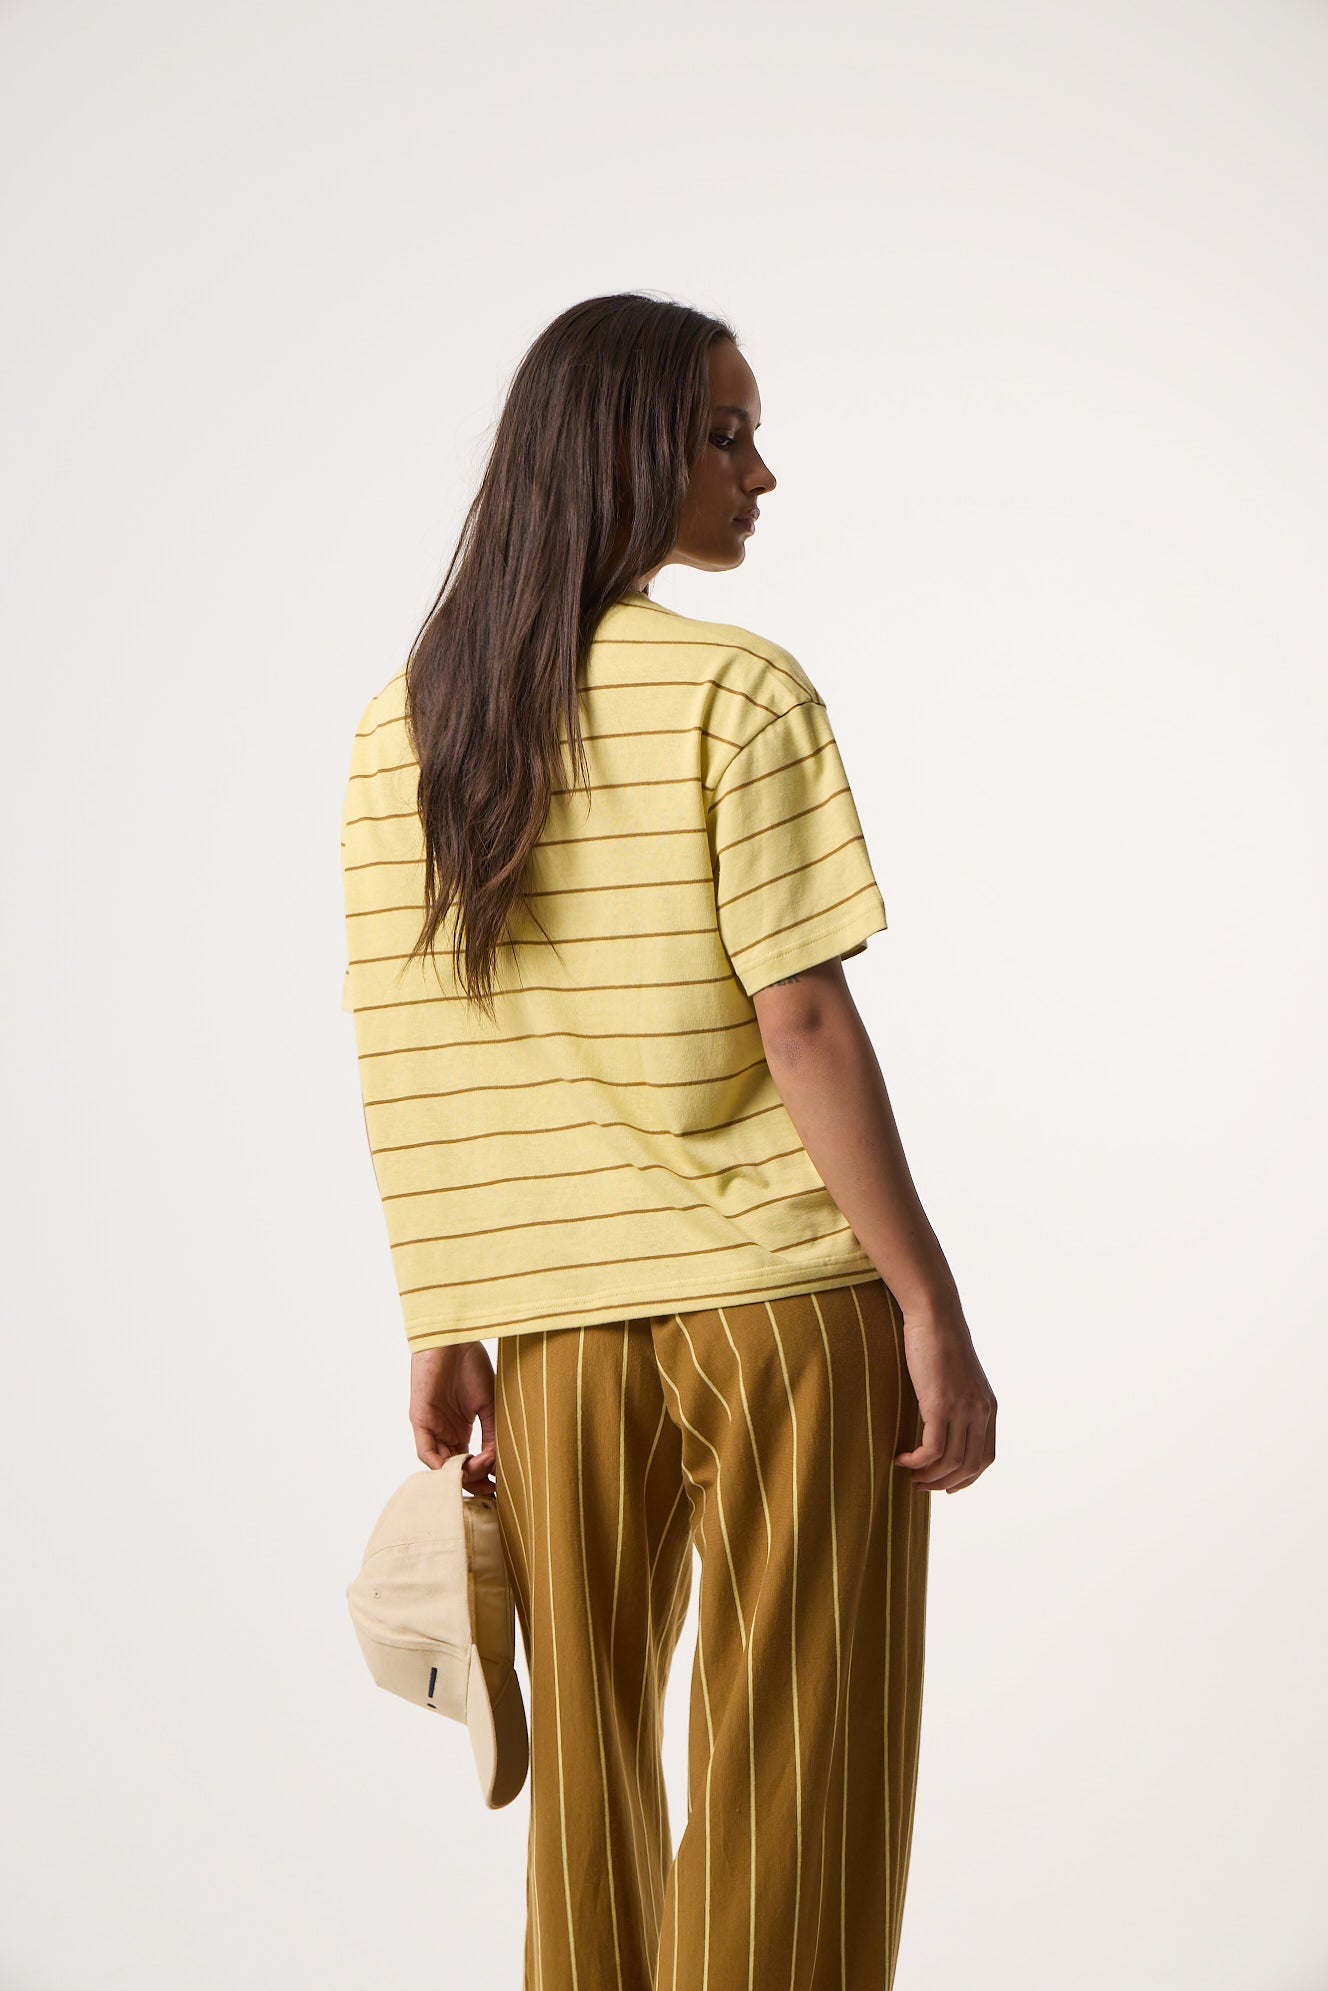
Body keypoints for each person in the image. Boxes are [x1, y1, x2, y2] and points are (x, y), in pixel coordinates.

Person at [339, 291, 997, 1991]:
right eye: (725, 435)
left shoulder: (408, 723)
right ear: (624, 451)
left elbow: (416, 1040)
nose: (760, 473)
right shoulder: (736, 688)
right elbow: (804, 1023)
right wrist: (927, 1300)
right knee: (798, 1772)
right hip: (780, 1313)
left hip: (556, 1331)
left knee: (588, 1788)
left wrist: (448, 1310)